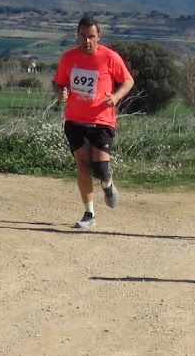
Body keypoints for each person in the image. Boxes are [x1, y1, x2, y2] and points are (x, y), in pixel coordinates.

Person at [53, 15, 134, 230]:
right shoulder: (68, 58)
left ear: (99, 37)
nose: (86, 41)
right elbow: (59, 83)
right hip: (75, 119)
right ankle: (89, 214)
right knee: (83, 166)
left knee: (100, 167)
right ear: (77, 36)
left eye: (91, 36)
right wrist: (60, 93)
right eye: (82, 36)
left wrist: (116, 98)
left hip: (102, 119)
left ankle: (107, 184)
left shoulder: (109, 57)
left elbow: (128, 81)